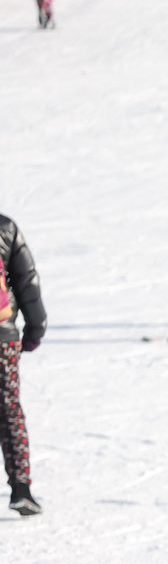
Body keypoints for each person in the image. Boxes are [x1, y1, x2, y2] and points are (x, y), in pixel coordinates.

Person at [0, 210, 45, 517]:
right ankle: (21, 489)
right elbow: (27, 280)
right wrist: (34, 328)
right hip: (3, 338)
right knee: (9, 408)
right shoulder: (5, 227)